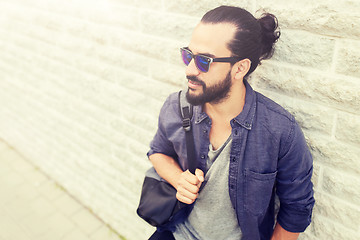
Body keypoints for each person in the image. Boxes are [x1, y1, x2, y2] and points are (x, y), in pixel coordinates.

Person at [147, 5, 315, 240]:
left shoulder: (279, 131)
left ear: (240, 68)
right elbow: (157, 152)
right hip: (176, 231)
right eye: (188, 55)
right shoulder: (176, 107)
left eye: (204, 60)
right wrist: (178, 179)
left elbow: (297, 208)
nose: (189, 69)